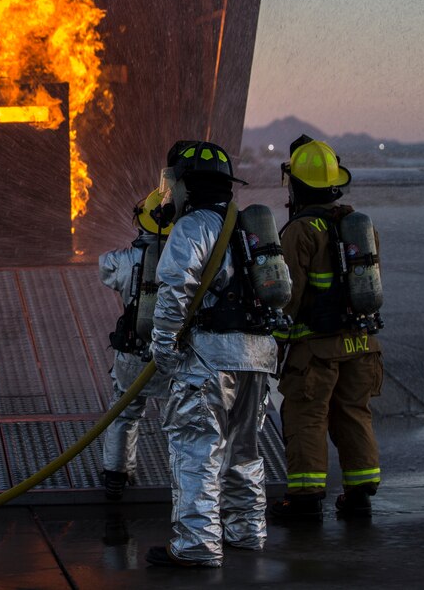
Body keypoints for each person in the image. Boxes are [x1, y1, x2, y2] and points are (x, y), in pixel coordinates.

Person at [144, 141, 278, 568]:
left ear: (188, 184)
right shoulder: (251, 228)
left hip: (207, 357)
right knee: (244, 448)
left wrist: (163, 348)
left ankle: (197, 545)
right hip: (257, 357)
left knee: (197, 448)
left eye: (176, 184)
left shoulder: (193, 226)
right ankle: (246, 531)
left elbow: (174, 290)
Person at [270, 136, 383, 521]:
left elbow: (289, 297)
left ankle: (304, 501)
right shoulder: (357, 226)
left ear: (296, 184)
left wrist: (277, 346)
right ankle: (359, 496)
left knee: (306, 416)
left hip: (317, 351)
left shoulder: (300, 231)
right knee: (353, 413)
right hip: (362, 345)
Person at [99, 189, 173, 500]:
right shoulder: (185, 260)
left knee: (125, 413)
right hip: (172, 355)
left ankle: (116, 474)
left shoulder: (125, 261)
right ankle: (185, 478)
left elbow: (105, 268)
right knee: (181, 419)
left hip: (133, 354)